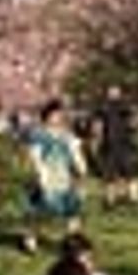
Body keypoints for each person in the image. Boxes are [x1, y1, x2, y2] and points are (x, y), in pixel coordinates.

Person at [19, 98, 87, 252]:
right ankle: (29, 239)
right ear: (47, 116)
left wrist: (81, 169)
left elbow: (75, 152)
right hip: (44, 176)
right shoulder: (39, 134)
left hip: (64, 177)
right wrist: (39, 174)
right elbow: (34, 155)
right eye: (54, 114)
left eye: (60, 114)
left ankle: (73, 243)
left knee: (72, 210)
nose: (57, 118)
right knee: (36, 210)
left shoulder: (66, 135)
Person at [95, 85, 138, 207]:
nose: (113, 94)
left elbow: (134, 123)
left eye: (115, 91)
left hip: (124, 144)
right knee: (110, 174)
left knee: (129, 172)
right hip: (110, 144)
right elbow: (98, 125)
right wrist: (98, 138)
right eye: (111, 91)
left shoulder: (125, 107)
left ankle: (133, 197)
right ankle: (111, 199)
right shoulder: (103, 108)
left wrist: (133, 130)